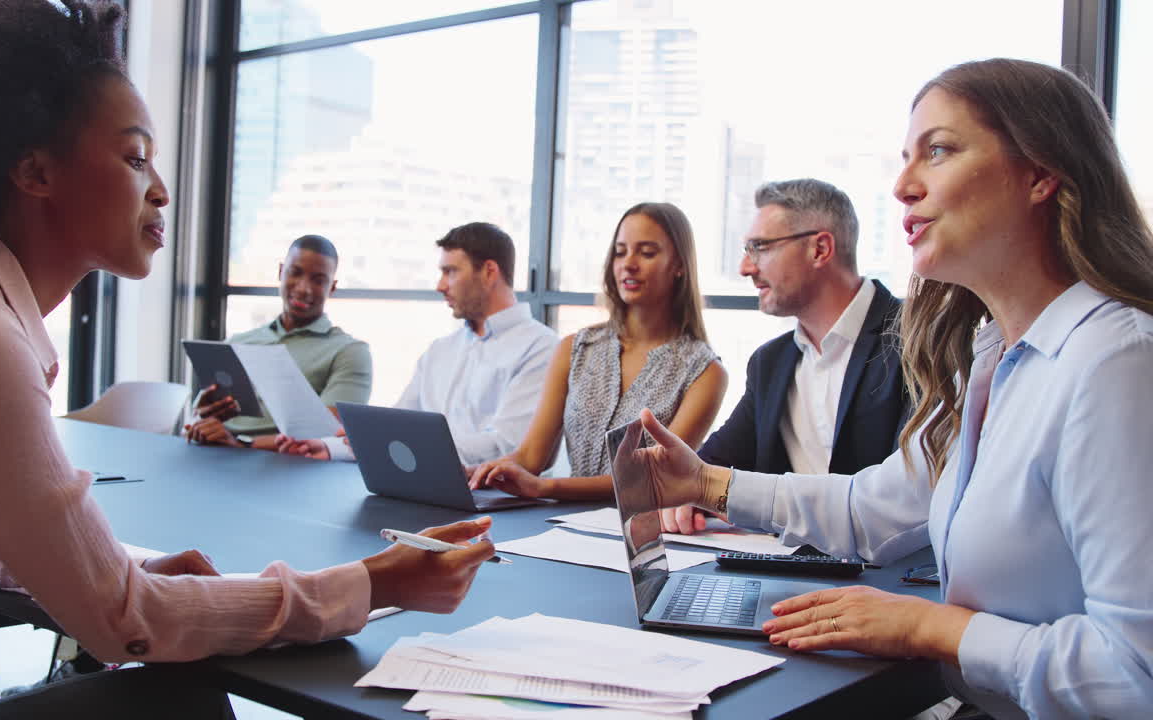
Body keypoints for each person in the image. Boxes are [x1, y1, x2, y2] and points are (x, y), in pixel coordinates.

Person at [0, 2, 491, 718]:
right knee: (181, 701)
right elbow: (129, 620)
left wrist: (112, 568)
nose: (161, 189)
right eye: (135, 157)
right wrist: (378, 583)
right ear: (35, 171)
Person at [627, 58, 1153, 719]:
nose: (903, 186)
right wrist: (706, 485)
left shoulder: (1115, 362)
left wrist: (930, 628)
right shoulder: (991, 361)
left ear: (1042, 173)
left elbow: (1136, 675)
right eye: (906, 158)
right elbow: (870, 509)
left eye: (938, 151)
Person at [662, 179, 908, 534]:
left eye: (759, 247)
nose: (745, 268)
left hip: (884, 579)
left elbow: (908, 497)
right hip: (784, 569)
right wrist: (686, 493)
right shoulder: (771, 363)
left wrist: (712, 487)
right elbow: (710, 468)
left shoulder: (917, 342)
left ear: (820, 249)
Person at [468, 202, 727, 500]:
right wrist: (475, 472)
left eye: (646, 253)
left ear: (679, 265)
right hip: (561, 526)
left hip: (642, 533)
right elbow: (530, 458)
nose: (628, 264)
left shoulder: (705, 372)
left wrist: (548, 488)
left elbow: (655, 477)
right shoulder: (575, 348)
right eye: (620, 252)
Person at [278, 222, 558, 466]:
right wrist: (332, 447)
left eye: (450, 272)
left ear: (489, 272)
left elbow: (510, 445)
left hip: (496, 501)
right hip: (424, 486)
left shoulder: (541, 348)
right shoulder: (440, 350)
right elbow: (395, 426)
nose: (440, 285)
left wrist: (409, 444)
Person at [183, 233, 371, 449]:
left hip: (281, 465)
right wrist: (200, 422)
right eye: (295, 273)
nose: (303, 288)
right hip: (214, 453)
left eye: (318, 280)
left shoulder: (349, 352)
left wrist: (240, 443)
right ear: (281, 272)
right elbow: (196, 419)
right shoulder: (238, 342)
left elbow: (330, 433)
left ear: (332, 288)